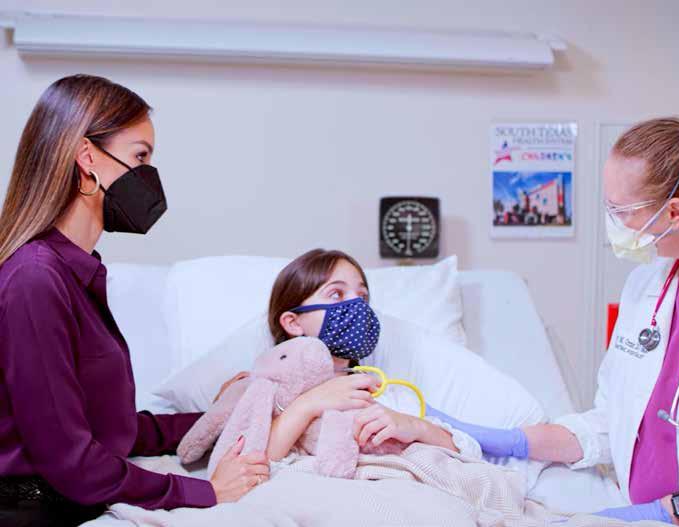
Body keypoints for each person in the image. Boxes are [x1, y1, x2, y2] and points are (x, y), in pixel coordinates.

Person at [431, 117, 679, 526]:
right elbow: (613, 420)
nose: (614, 222)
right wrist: (512, 441)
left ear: (674, 212)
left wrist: (667, 513)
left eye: (620, 210)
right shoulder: (645, 285)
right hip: (634, 513)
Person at [0, 75, 268, 526]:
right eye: (140, 156)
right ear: (87, 157)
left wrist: (218, 417)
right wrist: (205, 492)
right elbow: (71, 461)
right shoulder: (36, 279)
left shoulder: (74, 273)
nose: (148, 176)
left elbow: (112, 429)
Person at [263, 248, 482, 462]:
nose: (357, 305)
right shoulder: (269, 392)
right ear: (293, 323)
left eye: (363, 296)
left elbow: (469, 455)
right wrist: (307, 405)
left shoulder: (382, 393)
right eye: (336, 294)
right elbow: (251, 461)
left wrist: (416, 427)